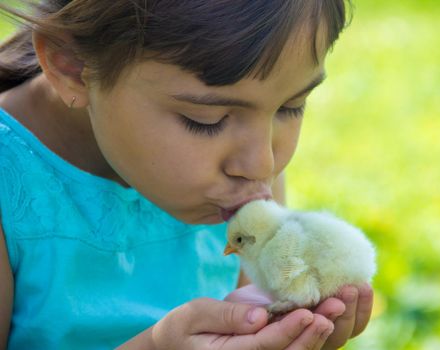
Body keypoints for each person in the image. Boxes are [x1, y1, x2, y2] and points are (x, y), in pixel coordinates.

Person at [0, 0, 374, 349]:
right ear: (72, 66)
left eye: (290, 107)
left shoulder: (242, 176)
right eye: (207, 121)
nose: (263, 164)